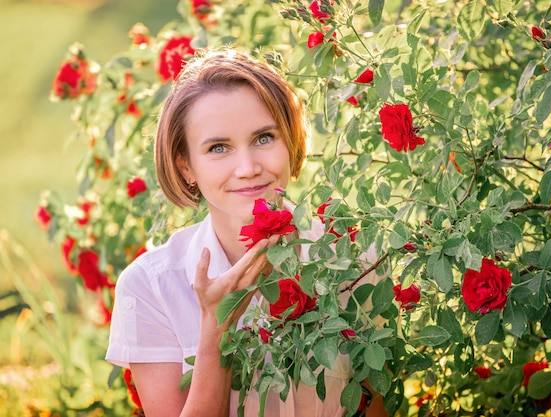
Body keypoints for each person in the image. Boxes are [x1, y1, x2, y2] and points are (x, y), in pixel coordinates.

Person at [106, 49, 387, 417]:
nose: (248, 168)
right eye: (218, 147)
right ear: (186, 166)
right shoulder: (150, 287)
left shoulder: (353, 259)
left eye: (264, 138)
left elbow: (374, 406)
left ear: (291, 139)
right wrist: (217, 327)